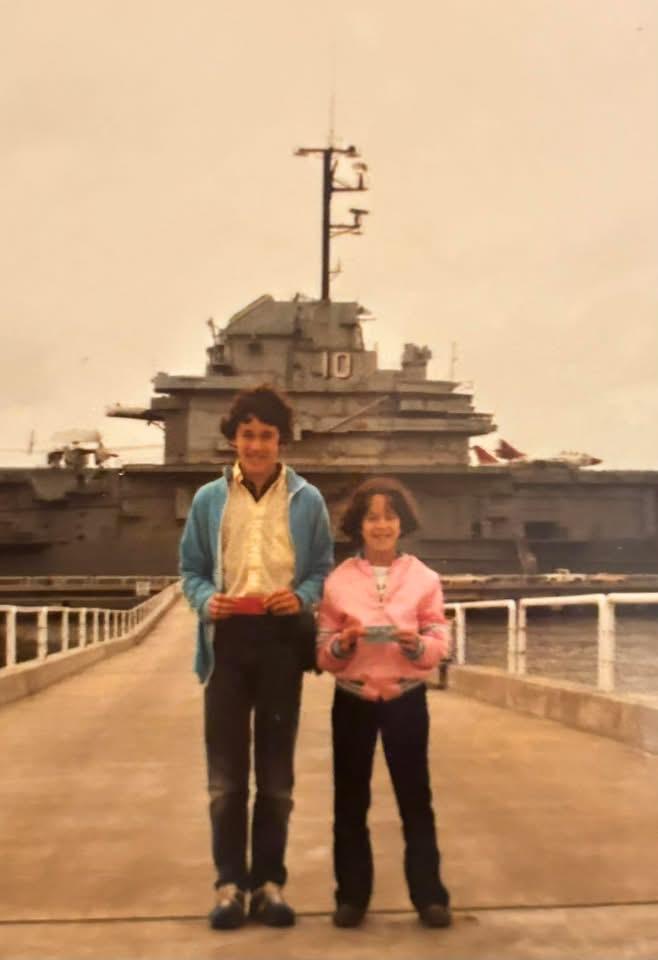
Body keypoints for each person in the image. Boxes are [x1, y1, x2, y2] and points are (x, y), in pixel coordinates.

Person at [180, 384, 333, 931]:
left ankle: (269, 884)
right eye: (248, 435)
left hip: (280, 641)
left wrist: (305, 597)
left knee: (275, 778)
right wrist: (204, 600)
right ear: (234, 439)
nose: (258, 445)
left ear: (281, 440)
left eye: (267, 435)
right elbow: (191, 570)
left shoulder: (307, 500)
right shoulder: (207, 500)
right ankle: (229, 885)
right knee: (225, 780)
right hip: (226, 642)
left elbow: (320, 568)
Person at [317, 477, 452, 929]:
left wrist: (418, 647)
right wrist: (342, 644)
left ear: (402, 523)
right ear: (358, 524)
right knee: (350, 802)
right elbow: (323, 650)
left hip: (406, 697)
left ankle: (430, 897)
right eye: (372, 516)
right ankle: (351, 896)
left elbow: (439, 636)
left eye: (389, 516)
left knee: (417, 799)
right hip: (353, 697)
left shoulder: (425, 578)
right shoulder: (337, 581)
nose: (381, 525)